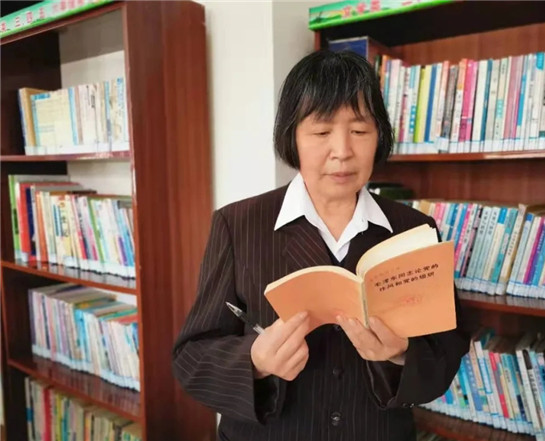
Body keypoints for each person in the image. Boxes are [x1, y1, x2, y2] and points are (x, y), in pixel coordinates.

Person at [172, 49, 469, 441]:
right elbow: (191, 356)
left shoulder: (414, 230)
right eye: (321, 131)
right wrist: (254, 360)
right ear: (292, 137)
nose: (342, 151)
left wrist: (401, 353)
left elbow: (447, 350)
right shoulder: (237, 224)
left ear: (379, 136)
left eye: (359, 131)